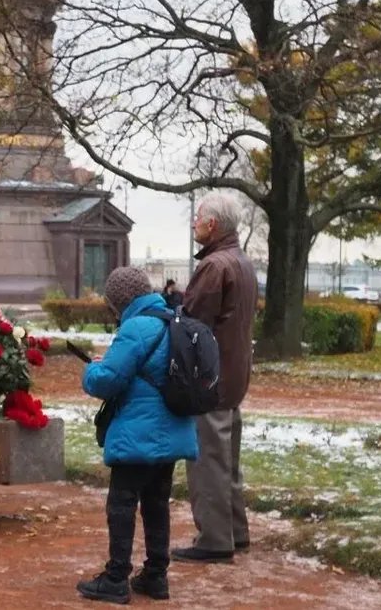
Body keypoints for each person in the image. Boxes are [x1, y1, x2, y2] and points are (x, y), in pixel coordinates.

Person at [76, 267, 199, 604]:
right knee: (157, 503)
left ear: (119, 300)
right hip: (172, 429)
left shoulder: (136, 327)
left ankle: (116, 577)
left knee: (122, 502)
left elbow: (106, 381)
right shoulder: (172, 319)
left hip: (139, 433)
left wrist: (91, 369)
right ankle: (156, 576)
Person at [173, 192, 258, 564]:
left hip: (211, 378)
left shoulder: (214, 266)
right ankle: (235, 532)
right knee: (228, 461)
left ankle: (214, 539)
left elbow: (193, 322)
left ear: (212, 225)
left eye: (198, 218)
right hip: (234, 374)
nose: (194, 223)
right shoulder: (241, 261)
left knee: (208, 462)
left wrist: (175, 307)